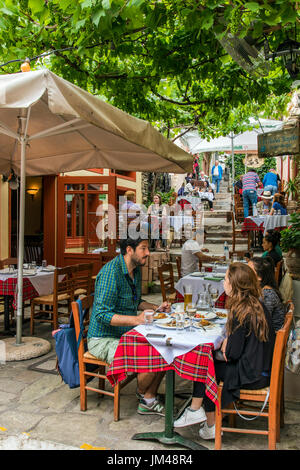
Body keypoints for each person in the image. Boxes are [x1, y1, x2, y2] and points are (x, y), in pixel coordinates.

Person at [173, 263, 275, 440]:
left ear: (235, 284)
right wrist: (227, 341)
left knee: (205, 365)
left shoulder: (240, 311)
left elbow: (232, 354)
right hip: (262, 368)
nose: (223, 283)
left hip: (252, 375)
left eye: (226, 279)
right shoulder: (256, 304)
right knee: (209, 359)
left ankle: (204, 418)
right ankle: (199, 412)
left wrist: (227, 344)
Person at [87, 237, 170, 416]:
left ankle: (148, 396)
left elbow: (136, 302)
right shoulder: (111, 273)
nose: (148, 253)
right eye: (144, 249)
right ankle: (144, 395)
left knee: (165, 346)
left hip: (125, 333)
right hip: (103, 338)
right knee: (152, 354)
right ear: (129, 250)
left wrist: (157, 308)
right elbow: (101, 314)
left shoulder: (135, 270)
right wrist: (136, 320)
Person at [248, 257, 286, 331]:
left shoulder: (267, 295)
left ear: (259, 277)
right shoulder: (260, 290)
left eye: (248, 270)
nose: (244, 273)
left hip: (269, 337)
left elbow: (259, 324)